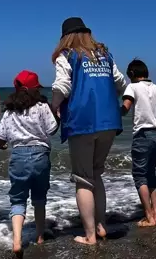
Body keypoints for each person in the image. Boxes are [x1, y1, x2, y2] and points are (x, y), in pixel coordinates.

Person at [51, 17, 126, 245]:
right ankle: (101, 226)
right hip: (110, 121)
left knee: (83, 179)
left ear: (66, 37)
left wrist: (53, 107)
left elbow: (62, 86)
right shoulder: (105, 55)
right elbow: (121, 83)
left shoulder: (68, 56)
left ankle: (90, 235)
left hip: (82, 121)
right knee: (96, 173)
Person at [0, 71, 59, 258]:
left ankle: (16, 241)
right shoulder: (41, 107)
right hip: (40, 155)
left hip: (18, 157)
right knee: (39, 198)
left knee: (18, 200)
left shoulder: (9, 112)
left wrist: (1, 144)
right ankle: (39, 236)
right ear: (33, 90)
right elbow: (52, 130)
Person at [121, 59, 156, 227]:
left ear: (132, 74)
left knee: (140, 175)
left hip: (142, 135)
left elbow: (126, 107)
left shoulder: (132, 87)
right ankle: (155, 213)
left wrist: (111, 110)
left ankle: (148, 216)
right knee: (151, 174)